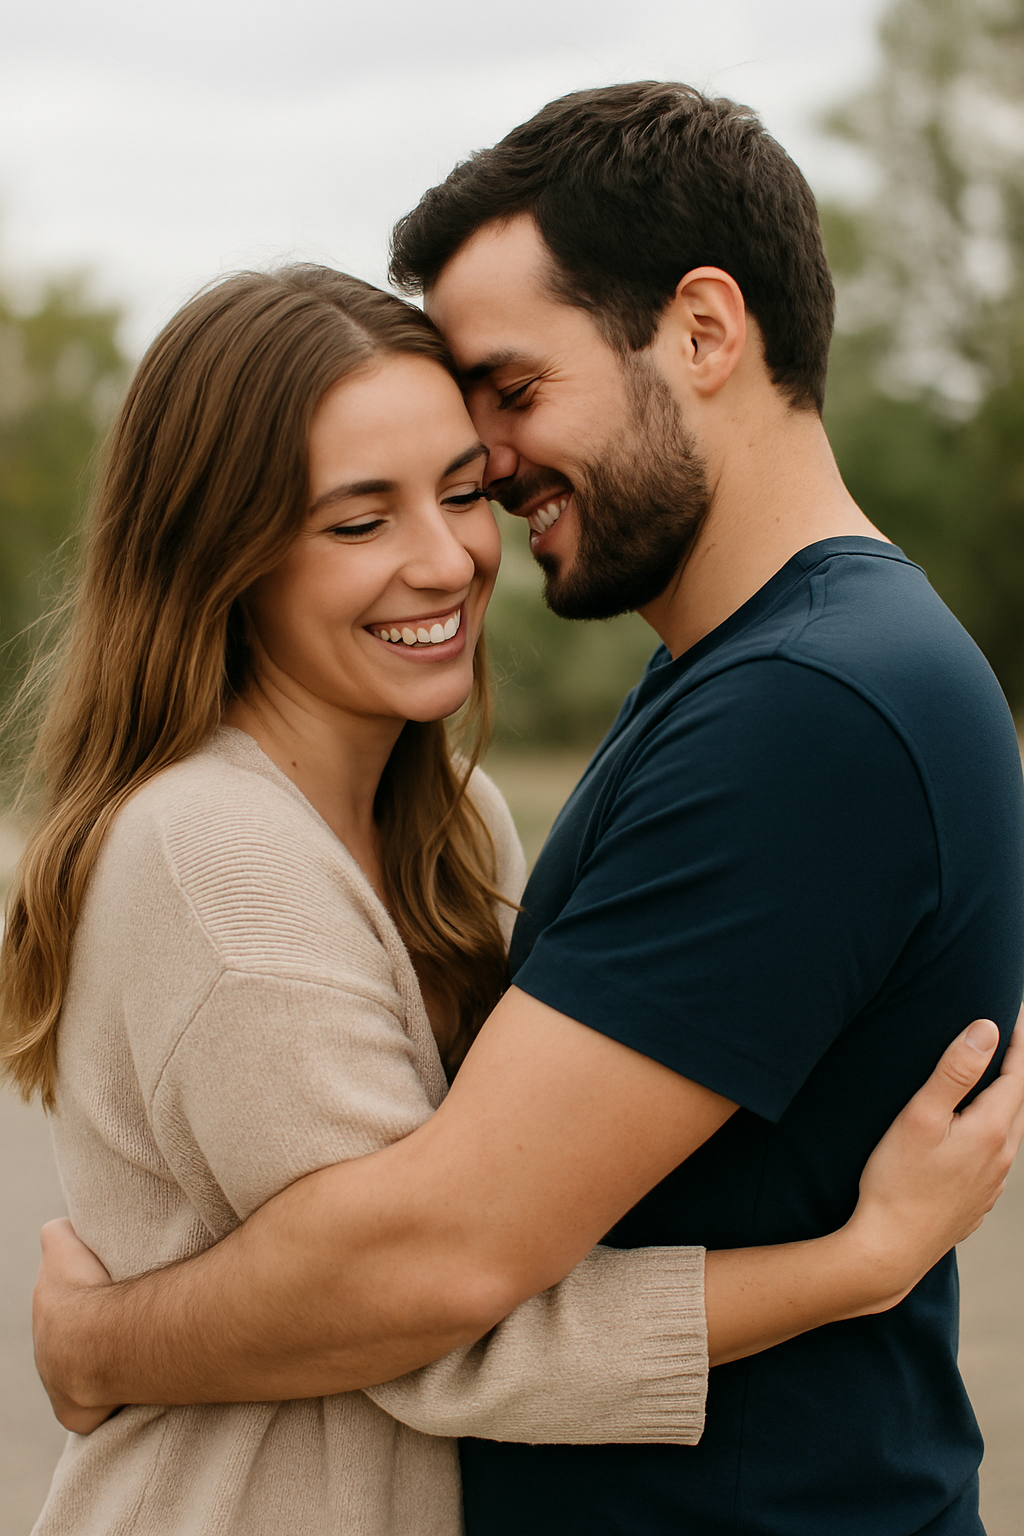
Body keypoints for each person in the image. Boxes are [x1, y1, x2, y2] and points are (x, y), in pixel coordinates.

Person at [24, 83, 1024, 1536]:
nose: (484, 483)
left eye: (509, 393)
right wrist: (851, 1261)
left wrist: (104, 1342)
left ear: (700, 331)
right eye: (364, 513)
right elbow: (429, 1272)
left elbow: (427, 1268)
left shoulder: (804, 709)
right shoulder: (730, 681)